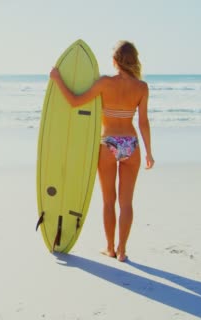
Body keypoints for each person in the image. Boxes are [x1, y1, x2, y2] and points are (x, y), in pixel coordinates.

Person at [49, 40, 155, 262]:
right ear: (133, 61)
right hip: (131, 144)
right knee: (126, 203)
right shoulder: (141, 87)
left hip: (107, 143)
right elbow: (143, 122)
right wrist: (148, 152)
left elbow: (75, 102)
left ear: (115, 61)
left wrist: (58, 79)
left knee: (109, 200)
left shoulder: (104, 83)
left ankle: (109, 247)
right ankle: (122, 251)